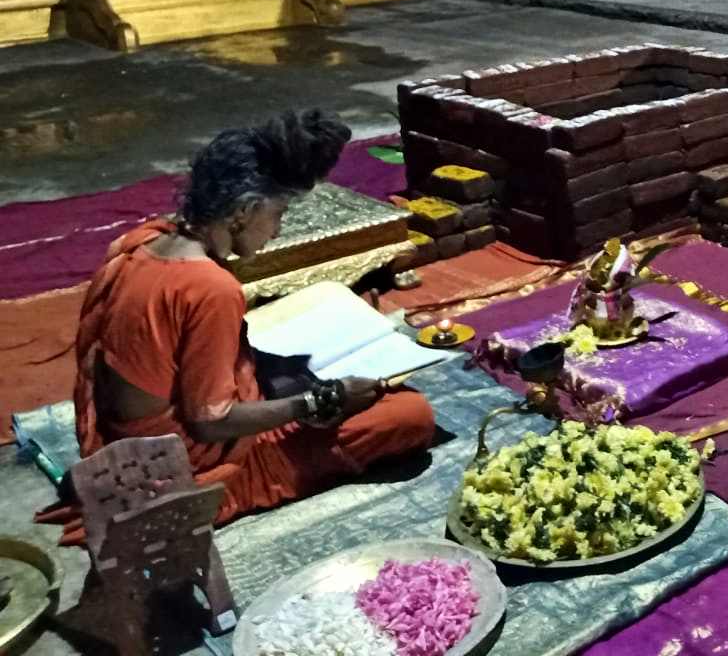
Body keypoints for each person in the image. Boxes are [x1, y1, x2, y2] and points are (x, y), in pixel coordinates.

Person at [42, 109, 435, 544]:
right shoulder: (210, 288)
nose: (278, 231)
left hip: (128, 443)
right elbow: (211, 422)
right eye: (279, 214)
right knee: (409, 415)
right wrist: (322, 399)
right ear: (245, 211)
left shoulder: (138, 242)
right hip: (180, 468)